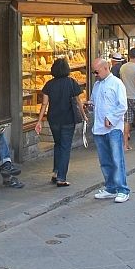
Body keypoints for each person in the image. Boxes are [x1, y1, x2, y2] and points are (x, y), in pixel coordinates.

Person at [35, 58, 85, 187]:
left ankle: (56, 172)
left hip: (54, 119)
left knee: (58, 144)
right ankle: (61, 178)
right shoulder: (71, 82)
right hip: (68, 119)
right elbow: (78, 101)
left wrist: (39, 121)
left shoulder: (49, 84)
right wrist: (84, 115)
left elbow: (44, 104)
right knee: (65, 147)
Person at [89, 58, 129, 203]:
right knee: (105, 160)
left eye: (96, 71)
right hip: (99, 128)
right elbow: (95, 101)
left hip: (113, 129)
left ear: (106, 68)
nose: (95, 74)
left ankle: (123, 189)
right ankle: (111, 187)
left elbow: (123, 106)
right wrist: (90, 104)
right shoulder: (97, 85)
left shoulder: (117, 83)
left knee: (117, 159)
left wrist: (111, 118)